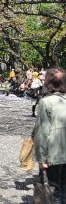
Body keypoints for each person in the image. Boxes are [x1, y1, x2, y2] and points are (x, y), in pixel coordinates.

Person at [34, 68, 66, 203]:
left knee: (54, 190)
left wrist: (41, 158)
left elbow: (42, 132)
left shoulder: (46, 102)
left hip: (54, 153)